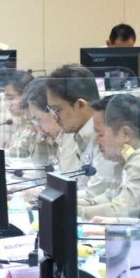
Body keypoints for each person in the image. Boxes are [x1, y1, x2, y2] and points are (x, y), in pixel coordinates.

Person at [78, 94, 140, 221]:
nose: (97, 141)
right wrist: (71, 204)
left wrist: (77, 211)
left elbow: (120, 210)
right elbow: (109, 197)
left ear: (125, 134)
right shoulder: (129, 156)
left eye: (100, 134)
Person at [45, 64, 120, 198]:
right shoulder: (80, 133)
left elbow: (95, 194)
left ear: (80, 105)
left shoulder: (105, 136)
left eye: (57, 110)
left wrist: (49, 196)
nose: (54, 118)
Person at [105, 23, 140, 88]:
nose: (124, 54)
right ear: (109, 43)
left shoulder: (139, 56)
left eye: (129, 50)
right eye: (120, 50)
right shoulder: (99, 54)